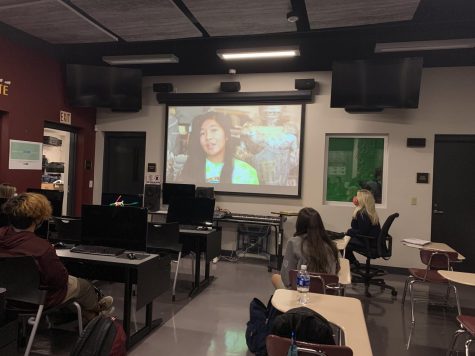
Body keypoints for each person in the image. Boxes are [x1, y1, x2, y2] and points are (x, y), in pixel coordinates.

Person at [0, 193, 113, 323]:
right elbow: (60, 280)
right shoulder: (41, 248)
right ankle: (98, 313)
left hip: (6, 299)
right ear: (38, 219)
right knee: (83, 286)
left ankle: (92, 316)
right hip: (37, 300)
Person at [179, 111, 259, 185]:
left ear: (226, 135)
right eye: (202, 133)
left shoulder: (246, 172)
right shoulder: (191, 167)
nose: (208, 137)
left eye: (213, 130)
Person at [271, 207, 340, 289]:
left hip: (301, 292)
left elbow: (286, 278)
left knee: (275, 277)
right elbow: (337, 270)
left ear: (299, 224)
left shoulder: (294, 243)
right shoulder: (331, 245)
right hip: (326, 292)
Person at [241, 105, 299, 186]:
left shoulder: (290, 130)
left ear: (281, 112)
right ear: (261, 112)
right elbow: (242, 153)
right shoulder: (250, 129)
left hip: (282, 180)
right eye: (268, 112)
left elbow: (296, 156)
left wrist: (284, 167)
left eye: (275, 112)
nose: (271, 115)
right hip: (255, 178)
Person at [345, 189, 381, 268]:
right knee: (344, 237)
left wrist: (349, 232)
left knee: (342, 242)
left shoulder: (362, 214)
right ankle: (353, 262)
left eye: (357, 196)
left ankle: (353, 263)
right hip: (372, 242)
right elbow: (356, 227)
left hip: (368, 243)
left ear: (361, 200)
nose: (355, 198)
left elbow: (362, 232)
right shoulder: (368, 212)